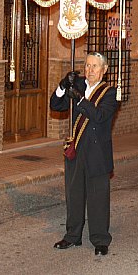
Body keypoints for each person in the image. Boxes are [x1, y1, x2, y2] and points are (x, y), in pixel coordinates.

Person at [50, 52, 119, 256]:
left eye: (94, 66)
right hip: (76, 150)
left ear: (104, 70)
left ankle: (100, 239)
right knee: (74, 195)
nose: (89, 70)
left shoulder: (109, 93)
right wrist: (63, 86)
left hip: (97, 153)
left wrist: (80, 100)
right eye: (87, 66)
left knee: (98, 198)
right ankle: (72, 236)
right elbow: (55, 105)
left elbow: (99, 116)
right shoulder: (77, 86)